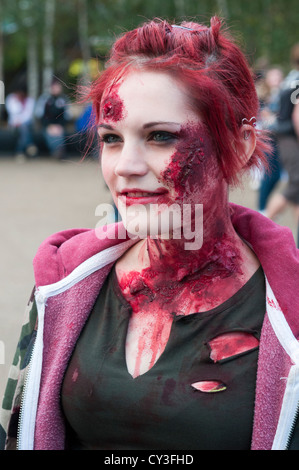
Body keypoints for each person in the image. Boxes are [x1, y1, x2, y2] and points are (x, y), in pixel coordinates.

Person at [1, 18, 299, 451]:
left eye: (160, 137)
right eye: (111, 138)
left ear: (239, 145)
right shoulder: (64, 283)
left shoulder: (288, 308)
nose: (125, 166)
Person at [265, 44, 299, 246]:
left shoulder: (291, 79)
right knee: (296, 184)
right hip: (291, 139)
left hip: (284, 137)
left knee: (297, 189)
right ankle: (264, 220)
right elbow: (297, 115)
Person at [35, 79, 71, 159]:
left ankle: (60, 151)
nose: (56, 89)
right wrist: (49, 126)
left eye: (57, 87)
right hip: (47, 126)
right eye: (54, 87)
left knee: (59, 133)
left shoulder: (64, 99)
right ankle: (57, 151)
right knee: (50, 134)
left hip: (60, 126)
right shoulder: (44, 99)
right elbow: (40, 115)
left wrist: (59, 126)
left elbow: (67, 116)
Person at [5, 86, 37, 161]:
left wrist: (20, 121)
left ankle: (19, 152)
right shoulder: (11, 99)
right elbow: (12, 113)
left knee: (24, 128)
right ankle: (29, 145)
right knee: (24, 129)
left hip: (27, 125)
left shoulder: (30, 100)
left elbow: (28, 115)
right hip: (14, 126)